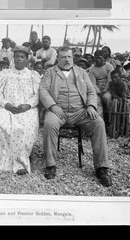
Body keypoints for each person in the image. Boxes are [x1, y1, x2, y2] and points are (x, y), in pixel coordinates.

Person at [39, 46, 112, 187]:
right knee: (49, 124)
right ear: (58, 58)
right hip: (57, 110)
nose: (66, 60)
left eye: (69, 57)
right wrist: (52, 106)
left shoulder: (82, 72)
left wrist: (91, 105)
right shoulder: (50, 73)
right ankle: (50, 164)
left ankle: (102, 168)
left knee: (99, 123)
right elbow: (43, 91)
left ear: (73, 58)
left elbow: (91, 91)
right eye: (63, 57)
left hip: (80, 111)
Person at [0, 46, 41, 175]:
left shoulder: (33, 75)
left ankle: (20, 161)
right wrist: (6, 105)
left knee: (25, 126)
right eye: (17, 56)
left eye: (22, 57)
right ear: (13, 58)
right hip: (6, 107)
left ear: (27, 60)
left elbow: (37, 95)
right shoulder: (5, 73)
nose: (19, 59)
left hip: (26, 108)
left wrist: (27, 105)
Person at [88, 50, 114, 119]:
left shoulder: (109, 67)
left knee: (107, 98)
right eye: (96, 58)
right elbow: (93, 84)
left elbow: (110, 80)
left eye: (100, 58)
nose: (98, 60)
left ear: (104, 59)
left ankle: (109, 117)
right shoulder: (91, 69)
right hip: (97, 89)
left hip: (108, 88)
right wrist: (99, 93)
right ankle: (100, 119)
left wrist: (105, 90)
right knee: (96, 100)